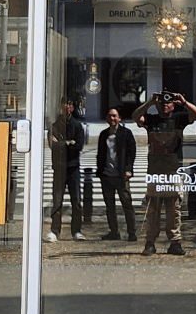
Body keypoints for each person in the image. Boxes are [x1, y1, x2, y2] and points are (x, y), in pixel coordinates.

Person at [135, 89, 196, 256]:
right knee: (153, 210)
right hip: (155, 171)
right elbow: (136, 117)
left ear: (173, 105)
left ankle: (175, 242)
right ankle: (150, 243)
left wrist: (184, 103)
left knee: (174, 210)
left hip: (173, 171)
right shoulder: (151, 119)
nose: (165, 105)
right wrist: (149, 103)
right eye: (161, 103)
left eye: (168, 102)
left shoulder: (179, 119)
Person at [47, 97, 88, 242]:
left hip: (73, 167)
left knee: (76, 201)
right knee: (57, 201)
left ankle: (76, 230)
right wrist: (68, 143)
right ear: (60, 106)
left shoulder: (77, 126)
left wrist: (62, 143)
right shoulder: (55, 125)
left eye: (70, 104)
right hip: (59, 167)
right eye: (65, 103)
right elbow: (52, 145)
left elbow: (78, 146)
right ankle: (55, 231)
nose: (67, 107)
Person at [94, 108, 139, 242]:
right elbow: (100, 154)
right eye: (110, 116)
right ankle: (114, 232)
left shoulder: (126, 133)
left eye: (114, 116)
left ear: (119, 118)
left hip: (121, 176)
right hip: (106, 175)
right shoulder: (103, 134)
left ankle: (132, 232)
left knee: (127, 205)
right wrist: (100, 171)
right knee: (110, 206)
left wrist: (129, 169)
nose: (112, 119)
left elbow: (131, 152)